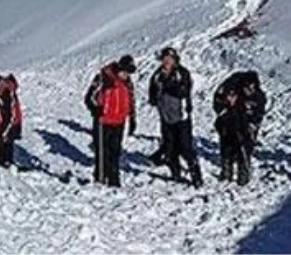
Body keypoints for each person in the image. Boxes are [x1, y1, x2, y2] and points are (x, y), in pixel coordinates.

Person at [147, 47, 203, 187]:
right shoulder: (157, 75)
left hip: (181, 115)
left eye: (170, 59)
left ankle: (196, 175)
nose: (167, 62)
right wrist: (156, 98)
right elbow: (152, 93)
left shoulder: (181, 73)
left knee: (186, 147)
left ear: (175, 59)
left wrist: (166, 86)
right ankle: (175, 173)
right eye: (165, 59)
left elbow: (182, 90)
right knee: (169, 147)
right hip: (165, 116)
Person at [84, 54, 137, 187]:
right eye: (124, 71)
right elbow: (89, 97)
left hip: (119, 121)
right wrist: (95, 109)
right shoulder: (103, 78)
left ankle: (114, 180)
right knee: (102, 153)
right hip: (103, 121)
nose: (126, 75)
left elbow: (131, 100)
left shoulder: (128, 83)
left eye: (129, 72)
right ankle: (100, 179)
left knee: (115, 152)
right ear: (119, 68)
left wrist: (132, 118)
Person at [212, 70, 266, 186]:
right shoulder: (230, 88)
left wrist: (252, 125)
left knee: (245, 147)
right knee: (227, 146)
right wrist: (225, 110)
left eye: (252, 88)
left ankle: (244, 174)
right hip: (228, 120)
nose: (249, 90)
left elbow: (259, 114)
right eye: (247, 87)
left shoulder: (259, 97)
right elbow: (218, 102)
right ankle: (226, 172)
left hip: (246, 123)